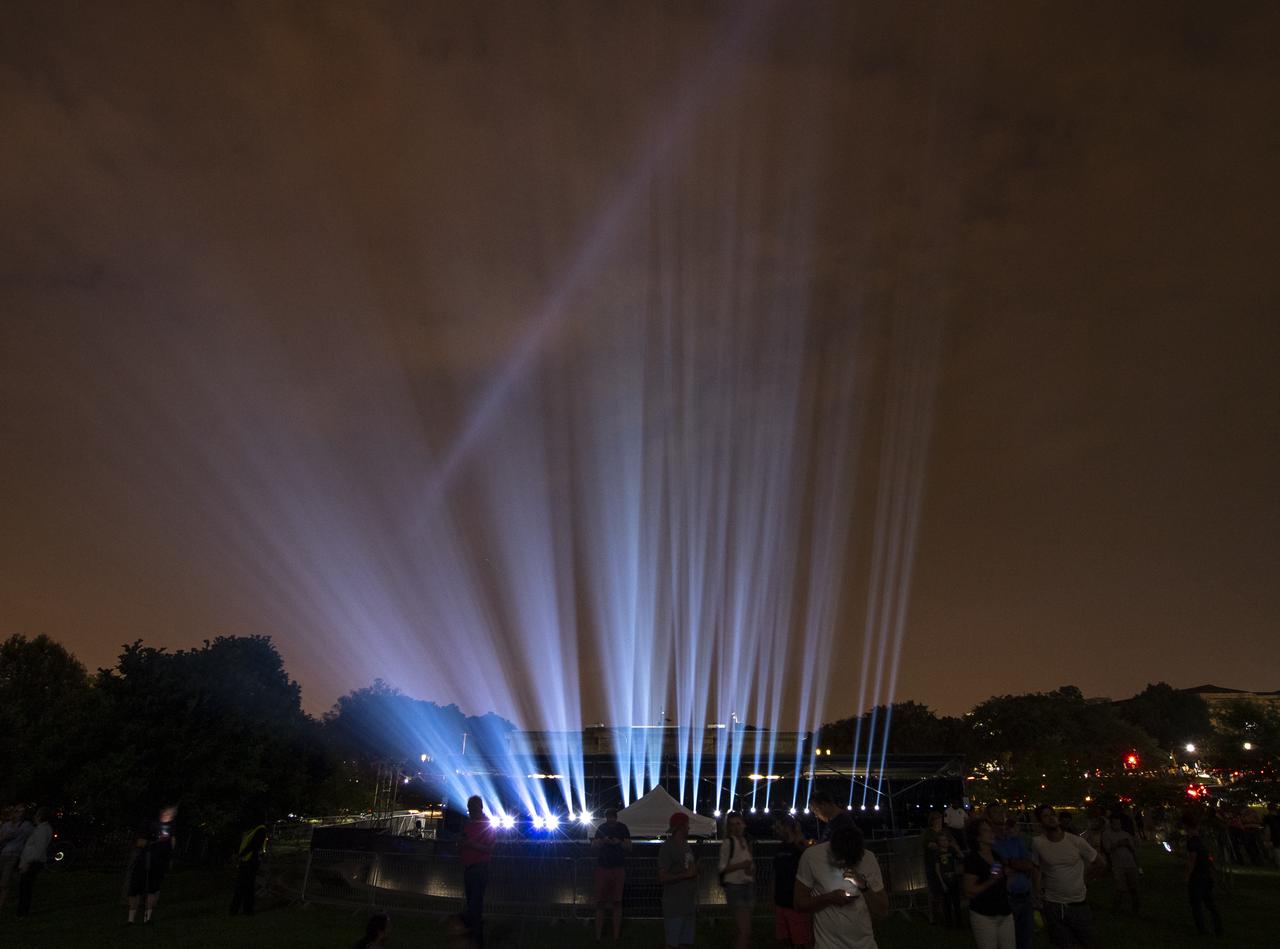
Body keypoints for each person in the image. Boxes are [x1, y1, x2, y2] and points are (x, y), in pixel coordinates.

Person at [794, 815, 888, 949]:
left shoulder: (869, 859)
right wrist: (829, 898)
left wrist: (864, 887)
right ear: (832, 848)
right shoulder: (812, 857)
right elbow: (799, 904)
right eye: (840, 860)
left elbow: (882, 910)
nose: (844, 865)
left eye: (849, 862)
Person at [1030, 804, 1104, 949]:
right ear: (1040, 822)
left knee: (1088, 942)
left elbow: (1100, 862)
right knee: (1063, 943)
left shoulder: (1075, 841)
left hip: (1077, 903)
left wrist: (1085, 879)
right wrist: (1037, 892)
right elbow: (1036, 867)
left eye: (1052, 814)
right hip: (1053, 904)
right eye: (1045, 816)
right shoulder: (1038, 843)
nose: (1051, 818)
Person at [986, 806, 1034, 949]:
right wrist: (1007, 866)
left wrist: (1008, 862)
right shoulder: (989, 844)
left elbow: (1028, 864)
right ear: (988, 818)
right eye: (996, 811)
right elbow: (995, 872)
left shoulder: (1015, 840)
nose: (1001, 814)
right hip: (1006, 898)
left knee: (1025, 941)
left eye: (1002, 811)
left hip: (1025, 896)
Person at [963, 817, 1014, 949]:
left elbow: (1001, 882)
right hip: (984, 915)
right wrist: (991, 881)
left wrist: (1008, 876)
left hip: (1004, 912)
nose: (991, 833)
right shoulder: (973, 859)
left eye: (991, 830)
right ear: (977, 837)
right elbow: (969, 891)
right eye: (986, 830)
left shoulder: (996, 855)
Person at [658, 811, 698, 949]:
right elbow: (662, 877)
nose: (689, 828)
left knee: (686, 943)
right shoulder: (667, 848)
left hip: (687, 903)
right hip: (674, 905)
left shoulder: (687, 845)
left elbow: (689, 868)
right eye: (687, 825)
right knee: (673, 943)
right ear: (681, 827)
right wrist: (685, 875)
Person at [459, 795, 495, 947]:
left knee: (474, 907)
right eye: (469, 809)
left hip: (480, 868)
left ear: (478, 808)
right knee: (472, 905)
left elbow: (490, 848)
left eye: (472, 809)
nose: (470, 812)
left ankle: (477, 940)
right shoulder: (469, 824)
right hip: (469, 868)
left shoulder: (487, 825)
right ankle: (473, 939)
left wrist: (470, 844)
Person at [772, 815, 812, 948]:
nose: (776, 830)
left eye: (779, 827)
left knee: (800, 941)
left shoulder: (799, 847)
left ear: (788, 828)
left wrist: (799, 837)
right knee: (783, 940)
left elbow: (810, 859)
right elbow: (776, 873)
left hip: (795, 903)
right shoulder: (780, 848)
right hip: (781, 902)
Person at [592, 806, 631, 941]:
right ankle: (602, 935)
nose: (610, 820)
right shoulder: (602, 828)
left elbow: (629, 846)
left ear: (615, 817)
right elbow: (594, 845)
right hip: (605, 868)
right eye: (609, 817)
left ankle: (613, 936)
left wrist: (618, 842)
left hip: (615, 868)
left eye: (612, 817)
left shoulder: (622, 828)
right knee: (602, 902)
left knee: (616, 902)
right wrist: (603, 841)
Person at [718, 812, 755, 949]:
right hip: (735, 887)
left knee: (742, 931)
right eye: (732, 824)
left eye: (738, 823)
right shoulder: (728, 843)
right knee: (745, 931)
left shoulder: (745, 842)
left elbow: (750, 866)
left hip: (747, 885)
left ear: (744, 825)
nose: (736, 827)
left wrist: (749, 870)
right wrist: (741, 866)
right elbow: (722, 868)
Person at [1183, 816, 1223, 936]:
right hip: (1206, 875)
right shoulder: (1202, 841)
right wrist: (1213, 869)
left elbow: (1192, 861)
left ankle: (1202, 929)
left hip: (1197, 877)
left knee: (1196, 904)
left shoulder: (1192, 842)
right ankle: (1218, 927)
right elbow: (1208, 857)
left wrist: (1187, 876)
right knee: (1210, 903)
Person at [922, 810, 962, 929]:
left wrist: (955, 850)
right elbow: (929, 845)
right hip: (933, 864)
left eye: (940, 818)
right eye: (936, 819)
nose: (939, 821)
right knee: (936, 891)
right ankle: (936, 916)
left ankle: (954, 918)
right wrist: (941, 846)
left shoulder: (946, 832)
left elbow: (954, 844)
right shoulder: (928, 833)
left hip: (948, 866)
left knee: (951, 893)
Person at [1099, 813, 1139, 914]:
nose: (1117, 825)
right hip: (1118, 864)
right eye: (1115, 823)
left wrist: (1129, 845)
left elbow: (1133, 849)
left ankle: (1136, 908)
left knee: (1134, 887)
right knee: (1120, 888)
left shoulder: (1125, 834)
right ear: (1111, 824)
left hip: (1130, 864)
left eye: (1119, 823)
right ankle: (1116, 908)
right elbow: (1107, 849)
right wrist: (1118, 844)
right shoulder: (1106, 834)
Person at [16, 807, 53, 918]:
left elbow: (39, 848)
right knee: (24, 887)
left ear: (40, 817)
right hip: (31, 861)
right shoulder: (41, 829)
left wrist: (28, 862)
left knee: (26, 887)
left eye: (37, 814)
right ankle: (22, 911)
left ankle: (23, 912)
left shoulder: (43, 830)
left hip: (33, 862)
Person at [229, 814, 268, 916]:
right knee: (246, 887)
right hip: (248, 861)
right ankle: (245, 910)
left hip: (250, 862)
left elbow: (253, 845)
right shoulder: (255, 830)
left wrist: (241, 855)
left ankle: (239, 911)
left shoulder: (260, 830)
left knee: (244, 887)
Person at [0, 806, 34, 909]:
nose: (17, 813)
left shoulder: (26, 825)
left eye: (20, 811)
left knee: (4, 880)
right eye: (16, 811)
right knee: (10, 875)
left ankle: (1, 904)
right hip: (4, 853)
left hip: (15, 854)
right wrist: (4, 837)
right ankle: (19, 889)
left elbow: (32, 837)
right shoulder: (7, 825)